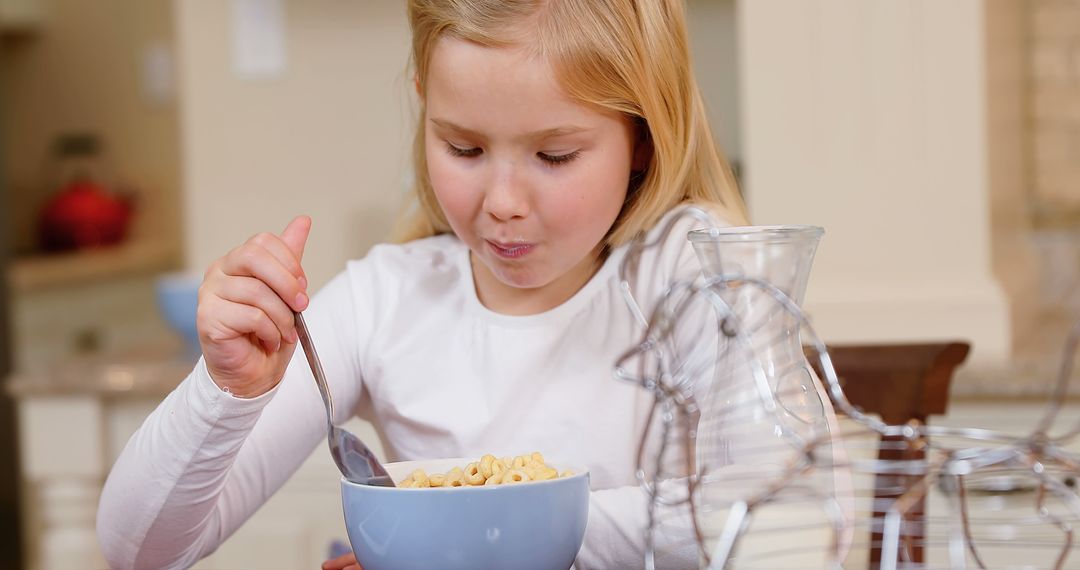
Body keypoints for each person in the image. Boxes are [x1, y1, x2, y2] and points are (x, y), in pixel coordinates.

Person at [97, 0, 748, 568]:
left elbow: (768, 505)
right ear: (423, 105)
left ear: (642, 136)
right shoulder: (383, 299)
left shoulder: (694, 270)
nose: (503, 202)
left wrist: (467, 543)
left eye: (554, 156)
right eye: (463, 148)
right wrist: (225, 391)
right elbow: (140, 551)